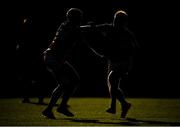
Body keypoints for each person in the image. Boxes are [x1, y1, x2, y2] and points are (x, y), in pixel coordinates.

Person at [42, 8, 104, 119]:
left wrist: (97, 53)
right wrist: (90, 28)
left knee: (75, 80)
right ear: (74, 18)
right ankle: (50, 109)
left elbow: (85, 43)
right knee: (64, 84)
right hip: (53, 58)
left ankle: (61, 107)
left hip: (57, 59)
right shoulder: (68, 27)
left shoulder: (71, 27)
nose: (80, 20)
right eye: (79, 18)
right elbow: (74, 32)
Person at [93, 10, 139, 118]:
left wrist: (129, 63)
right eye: (115, 20)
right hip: (113, 61)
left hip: (124, 62)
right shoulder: (109, 27)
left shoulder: (127, 34)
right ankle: (124, 104)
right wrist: (91, 27)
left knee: (112, 78)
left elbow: (135, 48)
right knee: (112, 86)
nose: (116, 22)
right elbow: (95, 28)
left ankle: (113, 106)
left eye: (119, 21)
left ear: (124, 23)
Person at [16, 16, 47, 104]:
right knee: (29, 79)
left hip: (33, 59)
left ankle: (36, 98)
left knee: (35, 79)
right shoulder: (25, 36)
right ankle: (31, 98)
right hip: (29, 59)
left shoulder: (30, 36)